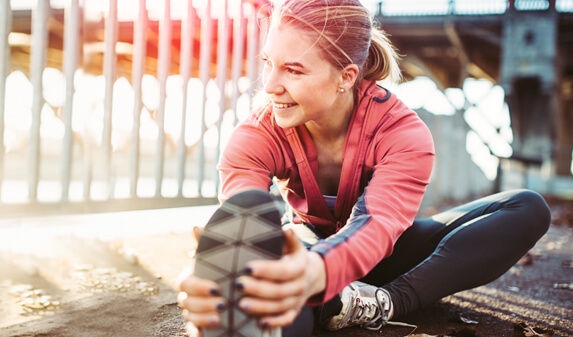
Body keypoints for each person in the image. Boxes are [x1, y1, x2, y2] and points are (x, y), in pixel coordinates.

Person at [177, 0, 551, 336]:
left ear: (346, 77)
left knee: (527, 207)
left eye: (293, 70)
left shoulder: (402, 132)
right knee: (277, 305)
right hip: (305, 248)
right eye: (268, 63)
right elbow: (243, 213)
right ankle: (320, 304)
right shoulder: (257, 133)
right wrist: (225, 277)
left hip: (386, 256)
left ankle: (382, 303)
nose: (270, 85)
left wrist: (322, 271)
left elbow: (380, 224)